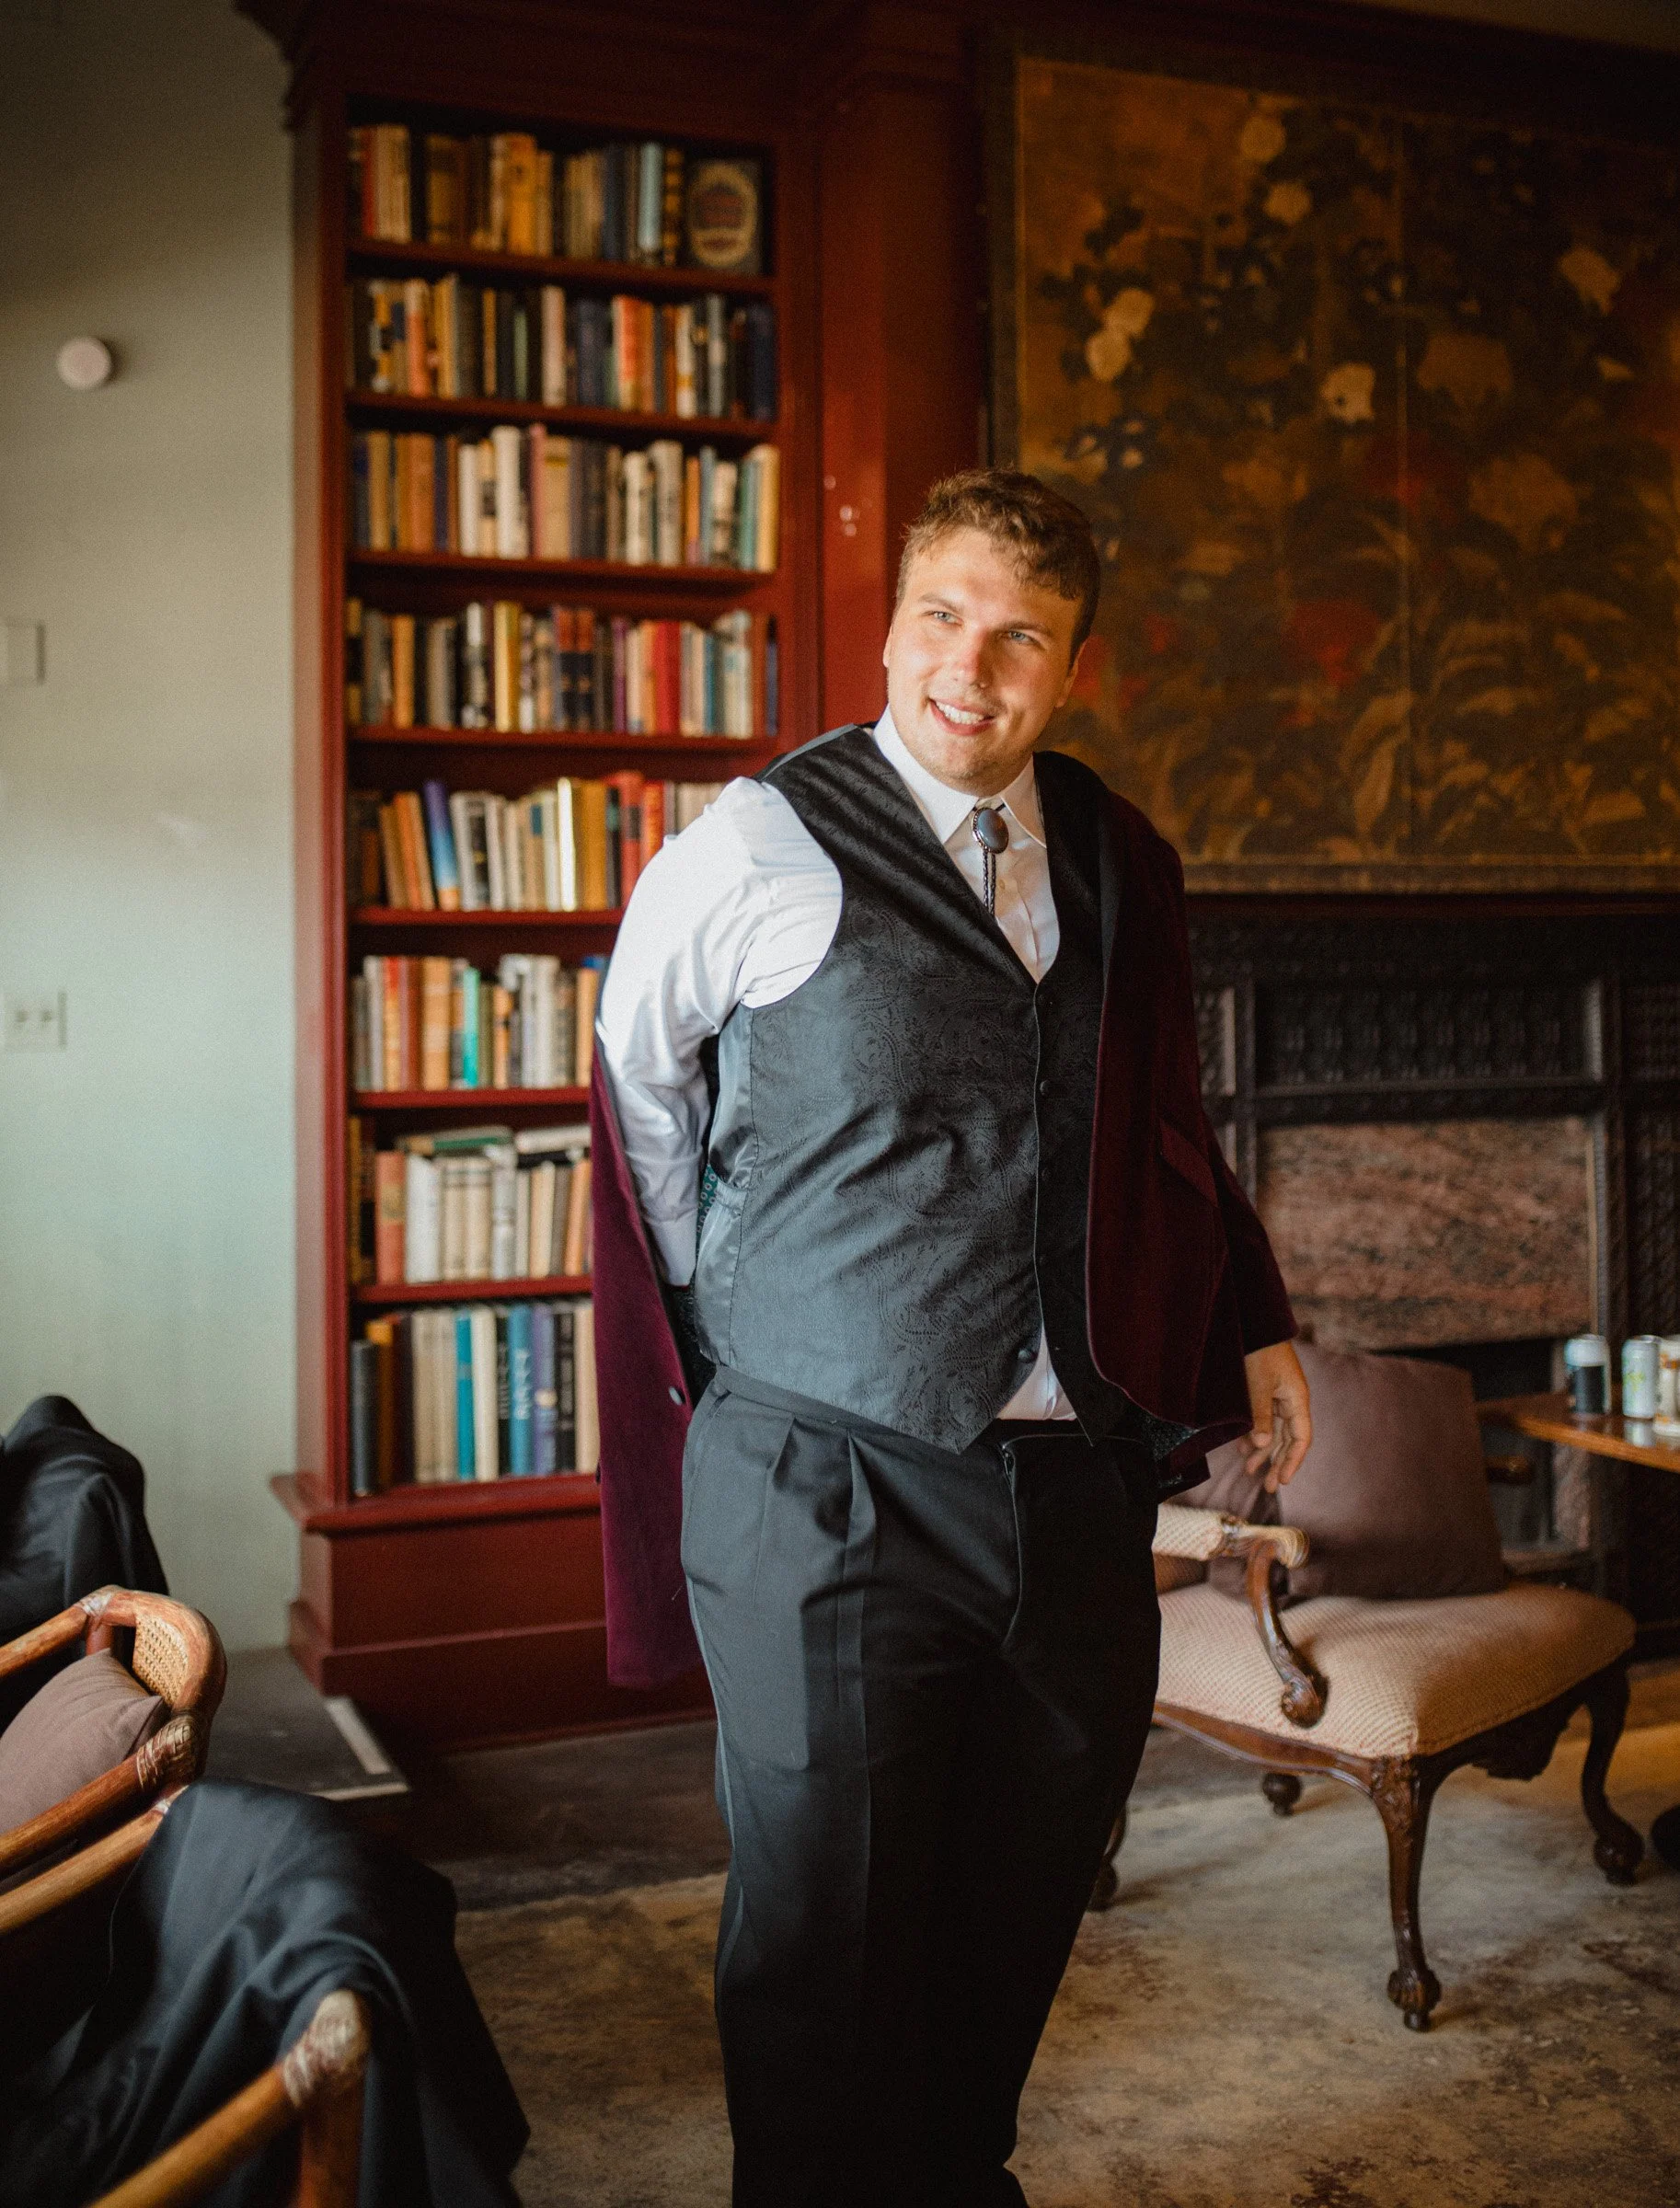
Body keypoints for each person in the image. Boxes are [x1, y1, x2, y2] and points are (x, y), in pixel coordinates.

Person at [592, 468, 1311, 2207]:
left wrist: (1254, 1323)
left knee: (1021, 1889)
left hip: (1073, 1490)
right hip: (824, 1480)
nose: (967, 669)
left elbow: (1163, 1120)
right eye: (940, 616)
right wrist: (755, 1326)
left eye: (1019, 638)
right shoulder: (752, 844)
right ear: (891, 621)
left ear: (1071, 667)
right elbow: (639, 1106)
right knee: (824, 1934)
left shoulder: (1121, 856)